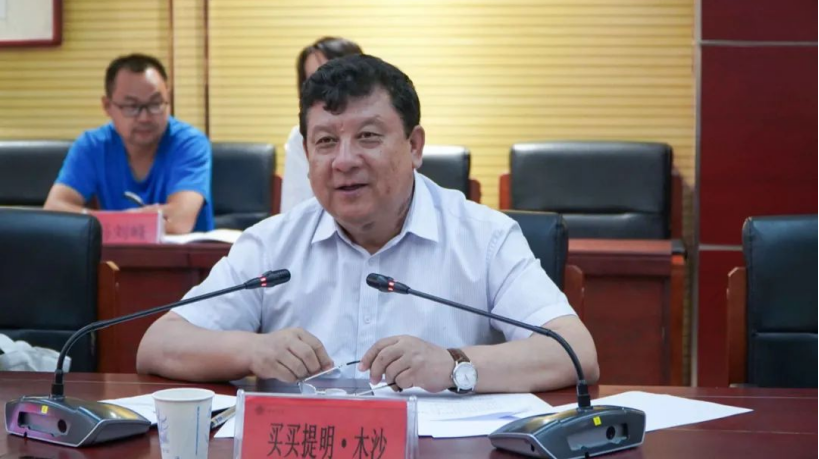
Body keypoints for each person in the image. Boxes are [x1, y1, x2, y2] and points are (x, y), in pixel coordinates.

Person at [137, 55, 599, 394]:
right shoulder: (272, 243)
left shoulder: (484, 237)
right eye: (325, 142)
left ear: (414, 146)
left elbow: (574, 350)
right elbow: (159, 344)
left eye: (368, 137)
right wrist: (251, 351)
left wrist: (453, 364)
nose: (344, 161)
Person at [44, 53, 214, 234]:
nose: (145, 117)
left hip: (182, 253)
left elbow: (177, 222)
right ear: (107, 106)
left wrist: (102, 221)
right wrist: (133, 221)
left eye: (155, 104)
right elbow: (54, 211)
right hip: (116, 253)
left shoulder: (189, 144)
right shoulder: (92, 146)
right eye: (131, 107)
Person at [280, 37, 363, 213]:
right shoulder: (300, 137)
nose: (323, 90)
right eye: (312, 81)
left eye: (332, 77)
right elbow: (294, 209)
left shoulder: (387, 125)